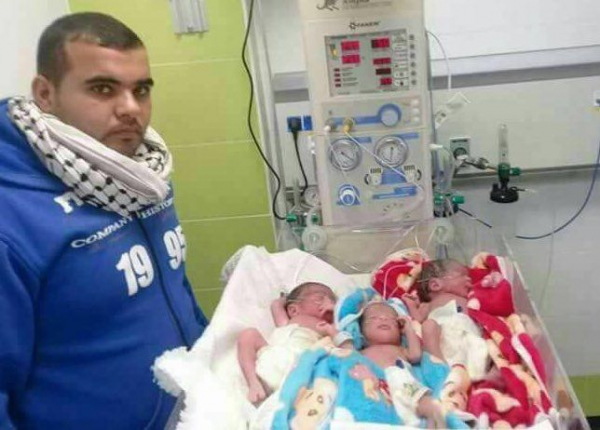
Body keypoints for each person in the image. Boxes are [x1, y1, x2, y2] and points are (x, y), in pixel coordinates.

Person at [0, 12, 208, 429]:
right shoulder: (13, 219)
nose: (131, 108)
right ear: (45, 93)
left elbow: (176, 291)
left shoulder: (143, 175)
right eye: (102, 88)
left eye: (141, 90)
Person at [237, 282, 338, 404]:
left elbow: (341, 338)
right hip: (270, 362)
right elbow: (276, 305)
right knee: (248, 334)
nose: (329, 302)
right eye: (320, 298)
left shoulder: (327, 326)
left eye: (332, 301)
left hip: (300, 367)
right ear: (293, 310)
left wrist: (333, 320)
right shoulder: (286, 323)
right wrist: (284, 298)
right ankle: (253, 383)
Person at [359, 302, 444, 428]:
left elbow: (416, 355)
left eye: (391, 319)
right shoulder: (360, 353)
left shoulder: (400, 350)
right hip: (376, 390)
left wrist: (409, 329)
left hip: (404, 386)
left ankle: (434, 417)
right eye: (373, 318)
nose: (383, 319)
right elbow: (345, 361)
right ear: (361, 333)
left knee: (427, 403)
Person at [403, 259, 489, 380]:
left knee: (482, 350)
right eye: (462, 275)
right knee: (428, 326)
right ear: (435, 285)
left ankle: (481, 376)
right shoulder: (428, 305)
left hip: (468, 334)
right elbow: (417, 319)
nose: (469, 279)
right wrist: (411, 304)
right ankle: (438, 365)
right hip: (443, 336)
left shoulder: (470, 300)